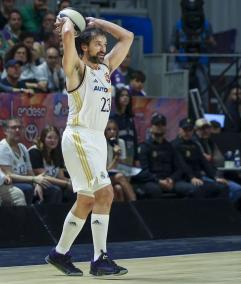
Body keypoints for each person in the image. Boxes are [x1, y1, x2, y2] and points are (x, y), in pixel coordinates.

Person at [44, 13, 133, 276]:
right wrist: (67, 20)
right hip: (80, 136)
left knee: (86, 200)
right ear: (84, 47)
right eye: (98, 44)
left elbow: (127, 37)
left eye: (105, 45)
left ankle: (59, 253)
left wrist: (98, 24)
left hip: (96, 138)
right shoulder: (76, 69)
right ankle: (99, 260)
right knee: (105, 194)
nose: (103, 48)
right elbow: (69, 36)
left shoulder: (106, 68)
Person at [29, 125, 71, 204]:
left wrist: (72, 183)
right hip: (37, 183)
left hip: (52, 182)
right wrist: (66, 184)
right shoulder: (35, 151)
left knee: (75, 190)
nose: (53, 140)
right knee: (55, 190)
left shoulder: (56, 152)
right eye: (49, 137)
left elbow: (60, 176)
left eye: (56, 138)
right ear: (43, 138)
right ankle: (50, 215)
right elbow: (43, 177)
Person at [104, 119, 136, 202]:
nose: (112, 132)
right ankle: (135, 203)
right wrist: (116, 157)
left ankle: (124, 212)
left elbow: (122, 166)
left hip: (116, 177)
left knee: (118, 189)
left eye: (114, 129)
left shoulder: (120, 142)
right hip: (103, 177)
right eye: (109, 129)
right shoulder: (101, 144)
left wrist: (119, 158)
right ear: (104, 131)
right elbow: (105, 171)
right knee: (120, 176)